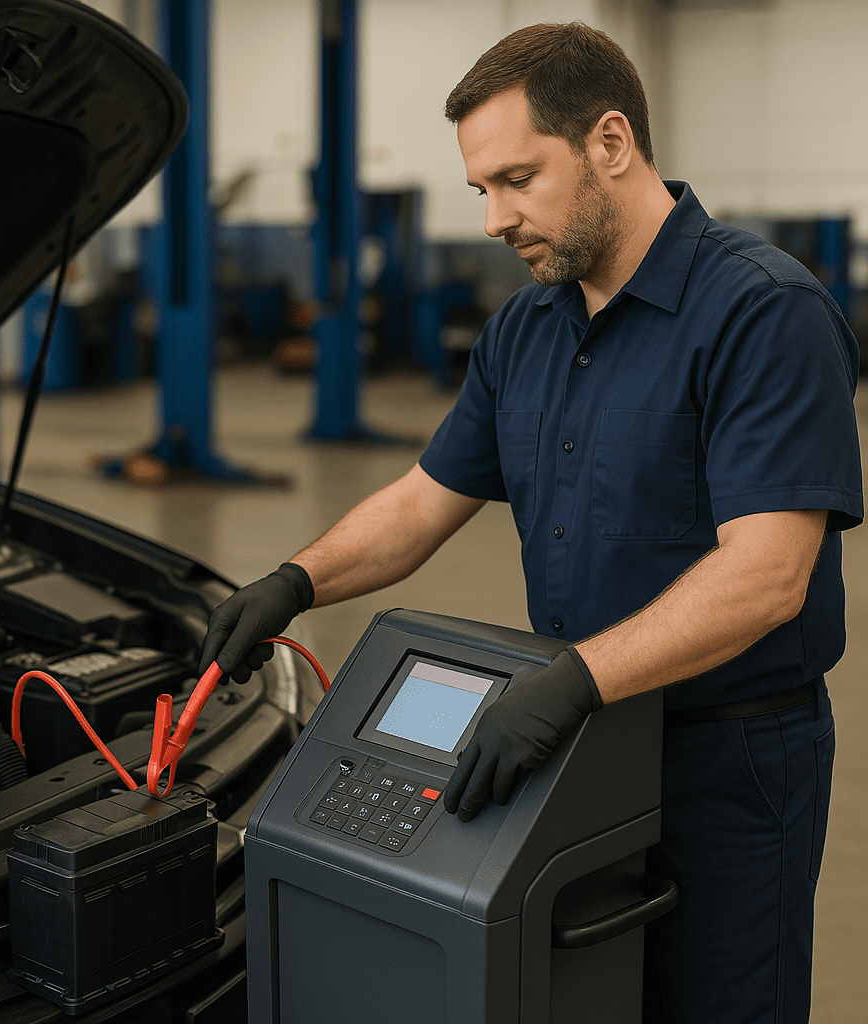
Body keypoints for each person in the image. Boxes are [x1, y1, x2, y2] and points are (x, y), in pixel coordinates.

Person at [198, 22, 862, 1024]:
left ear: (609, 142)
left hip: (726, 762)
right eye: (479, 191)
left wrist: (573, 681)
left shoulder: (762, 312)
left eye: (516, 179)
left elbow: (767, 575)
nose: (493, 219)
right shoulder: (524, 328)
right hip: (580, 745)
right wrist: (293, 583)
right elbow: (425, 500)